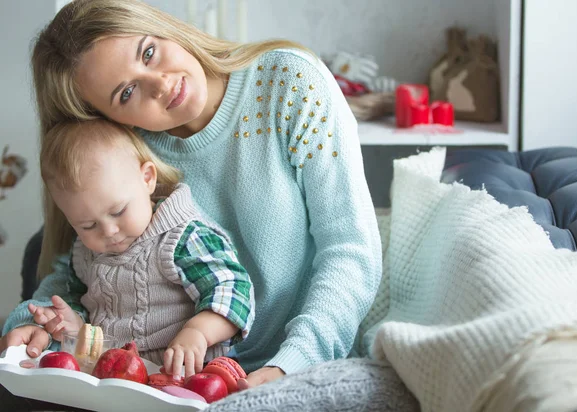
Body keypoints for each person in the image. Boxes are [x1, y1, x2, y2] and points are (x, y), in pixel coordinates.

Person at [0, 0, 383, 388]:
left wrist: (291, 365)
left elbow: (349, 250)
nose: (162, 84)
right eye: (127, 92)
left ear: (162, 26)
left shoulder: (290, 83)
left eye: (149, 52)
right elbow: (79, 272)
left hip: (296, 362)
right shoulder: (125, 150)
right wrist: (35, 323)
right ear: (107, 120)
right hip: (174, 381)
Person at [6, 118, 254, 379]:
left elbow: (234, 289)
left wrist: (199, 333)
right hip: (114, 378)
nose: (109, 231)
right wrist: (73, 324)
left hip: (186, 375)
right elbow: (80, 303)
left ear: (147, 179)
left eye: (118, 211)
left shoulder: (182, 237)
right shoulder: (84, 253)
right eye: (88, 225)